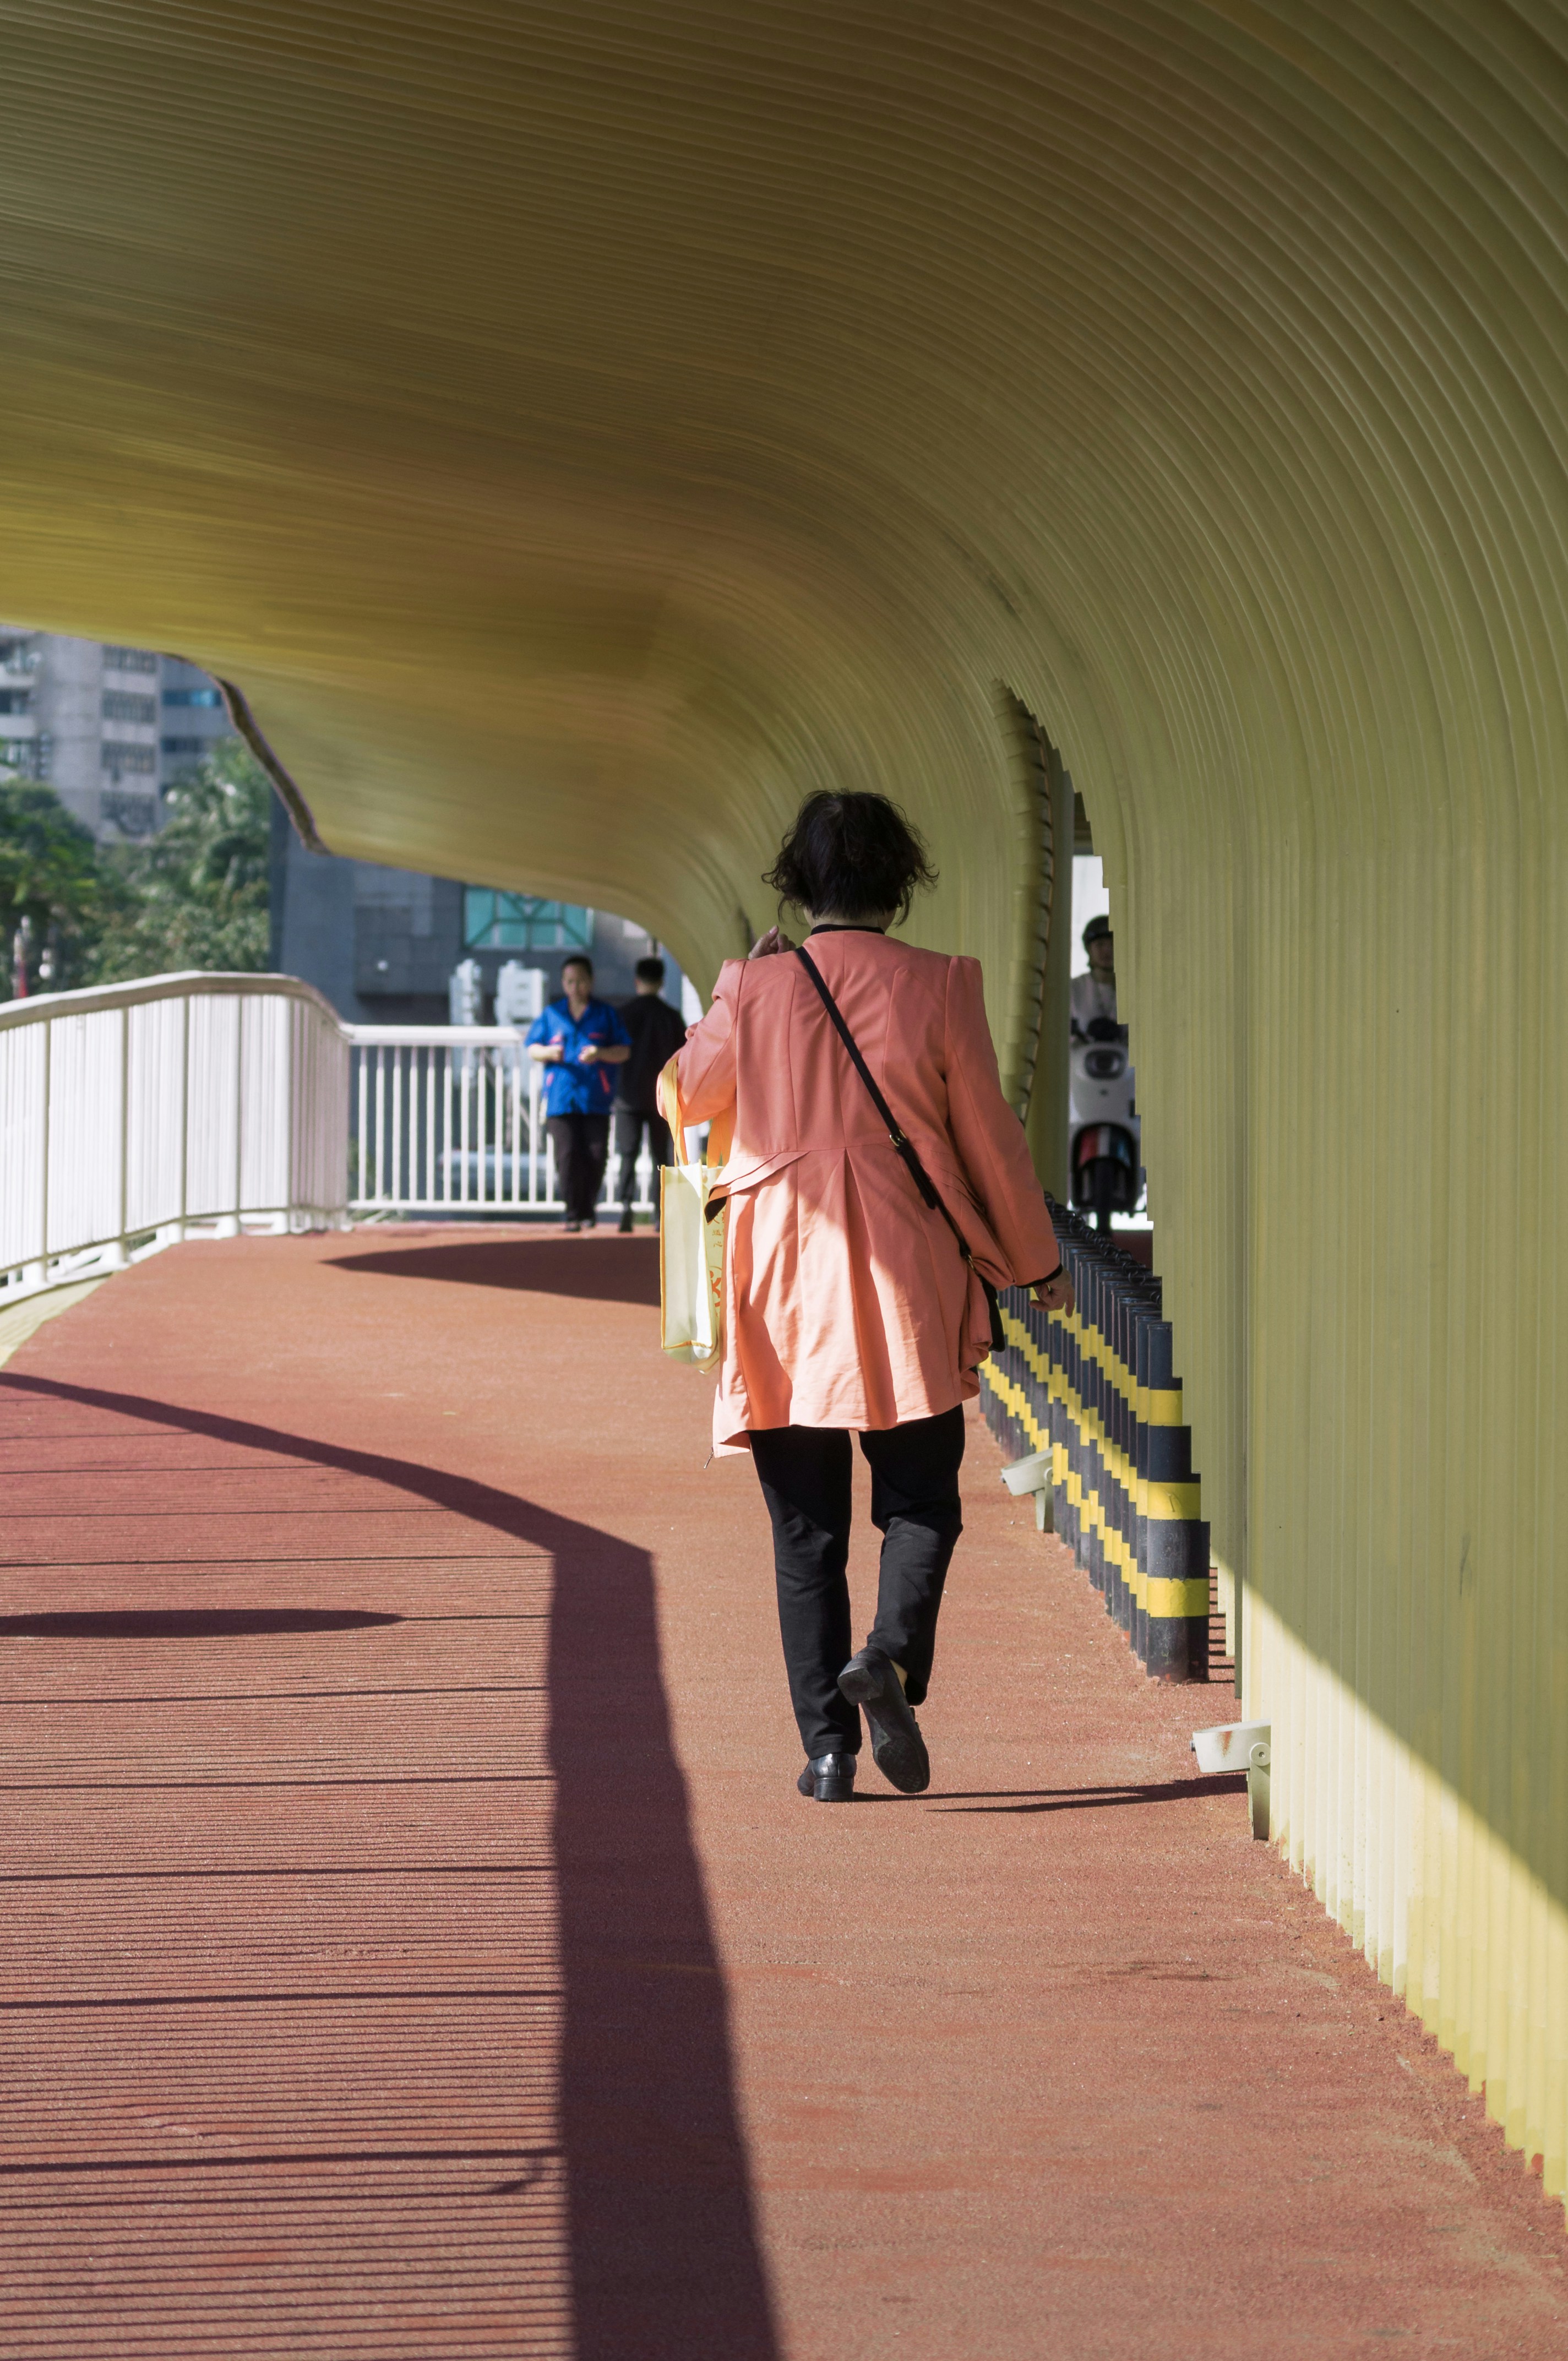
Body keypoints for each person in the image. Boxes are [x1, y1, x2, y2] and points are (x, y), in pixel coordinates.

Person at [664, 790, 1075, 1805]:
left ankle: (828, 1750)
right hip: (906, 1280)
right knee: (922, 1497)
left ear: (796, 885)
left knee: (805, 1533)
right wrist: (1033, 1260)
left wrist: (734, 994)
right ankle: (886, 1654)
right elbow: (988, 1135)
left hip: (781, 1290)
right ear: (900, 882)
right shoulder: (940, 985)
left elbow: (684, 1096)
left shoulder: (753, 988)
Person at [526, 953, 630, 1230]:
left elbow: (623, 1051)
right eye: (570, 982)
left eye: (581, 981)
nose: (576, 987)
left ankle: (588, 1208)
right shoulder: (552, 1015)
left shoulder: (606, 1014)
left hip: (596, 1098)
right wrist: (549, 1052)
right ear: (563, 982)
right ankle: (574, 1213)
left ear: (591, 982)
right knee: (567, 1155)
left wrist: (601, 1053)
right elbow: (532, 1048)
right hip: (560, 1099)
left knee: (596, 1155)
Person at [613, 955, 688, 1232]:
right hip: (662, 1098)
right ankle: (661, 1215)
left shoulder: (623, 1014)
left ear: (637, 981)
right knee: (662, 1158)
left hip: (628, 1098)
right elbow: (684, 1056)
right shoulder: (671, 1016)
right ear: (661, 982)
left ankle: (625, 1208)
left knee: (627, 1155)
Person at [1070, 913, 1120, 1040]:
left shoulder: (1138, 990)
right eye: (1100, 945)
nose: (1107, 950)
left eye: (1113, 944)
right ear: (1089, 950)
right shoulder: (1072, 989)